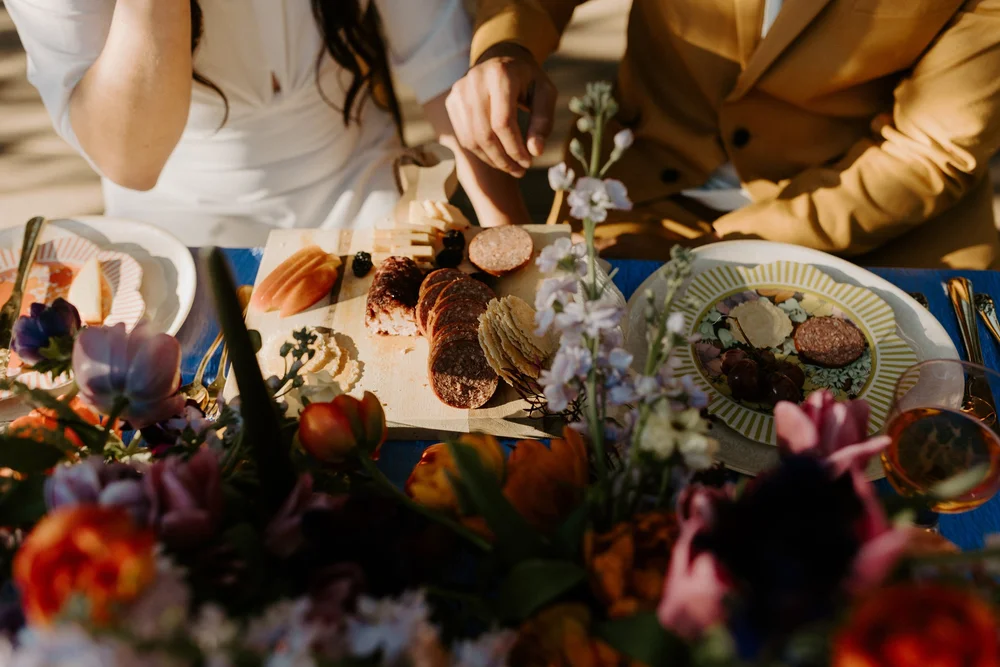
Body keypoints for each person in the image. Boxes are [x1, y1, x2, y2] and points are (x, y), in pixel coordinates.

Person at [447, 0, 1000, 269]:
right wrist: (508, 44)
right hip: (638, 187)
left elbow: (930, 153)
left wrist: (717, 248)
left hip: (881, 221)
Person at [5, 0, 527, 246]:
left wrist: (513, 238)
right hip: (178, 227)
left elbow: (440, 61)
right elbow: (132, 159)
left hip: (363, 186)